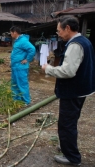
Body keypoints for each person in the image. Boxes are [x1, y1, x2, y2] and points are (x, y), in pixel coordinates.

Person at [42, 16, 95, 166]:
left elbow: (68, 71)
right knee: (70, 122)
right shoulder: (84, 41)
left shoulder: (75, 45)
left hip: (73, 91)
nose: (58, 33)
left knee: (66, 124)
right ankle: (66, 145)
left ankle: (72, 157)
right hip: (81, 89)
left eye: (59, 30)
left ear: (67, 28)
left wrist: (49, 69)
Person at [10, 26, 36, 105]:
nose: (10, 34)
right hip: (15, 66)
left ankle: (26, 101)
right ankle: (16, 99)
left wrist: (27, 59)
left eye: (11, 33)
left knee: (22, 84)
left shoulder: (23, 41)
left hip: (20, 67)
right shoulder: (18, 41)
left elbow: (32, 49)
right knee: (14, 84)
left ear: (15, 32)